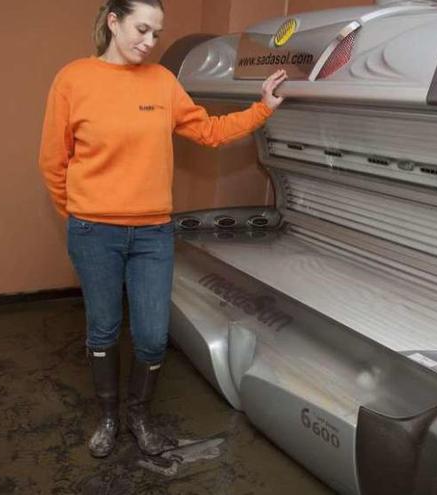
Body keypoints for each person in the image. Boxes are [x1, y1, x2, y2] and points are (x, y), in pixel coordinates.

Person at [38, 0, 286, 458]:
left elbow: (208, 132)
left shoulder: (161, 81)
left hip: (153, 234)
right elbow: (53, 161)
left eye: (157, 34)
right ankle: (109, 418)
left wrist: (261, 110)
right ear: (113, 22)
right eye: (142, 29)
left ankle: (139, 415)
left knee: (152, 335)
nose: (149, 43)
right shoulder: (74, 78)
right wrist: (79, 216)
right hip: (95, 233)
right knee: (104, 328)